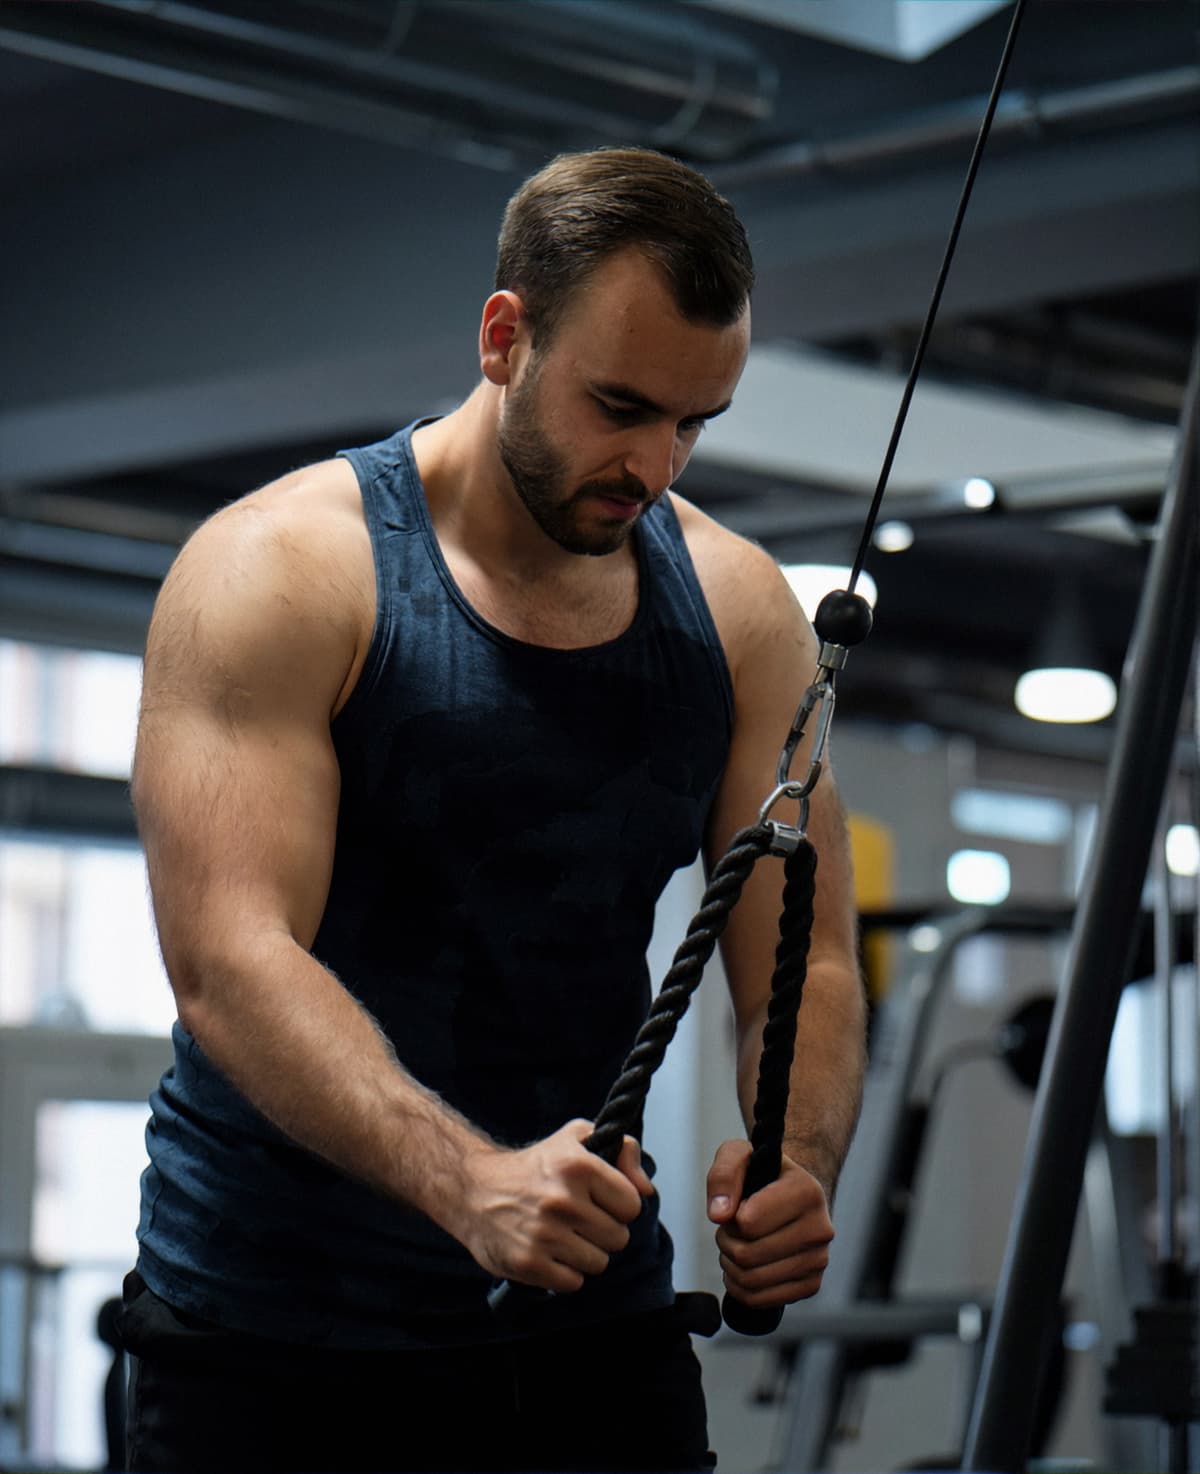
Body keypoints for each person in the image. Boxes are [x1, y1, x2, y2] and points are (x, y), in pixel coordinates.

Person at [120, 146, 866, 1472]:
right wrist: (470, 1180)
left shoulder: (741, 613)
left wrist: (792, 1158)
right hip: (273, 1334)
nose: (651, 463)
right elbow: (231, 959)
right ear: (505, 334)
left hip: (585, 1323)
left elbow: (800, 954)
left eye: (694, 423)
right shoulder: (283, 572)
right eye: (620, 405)